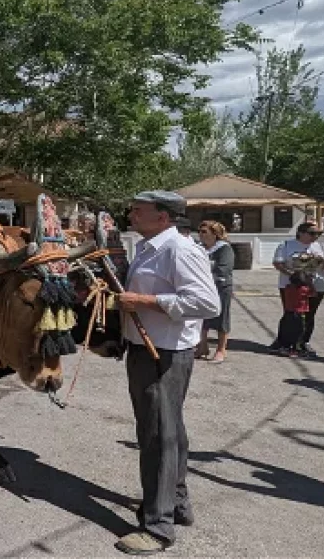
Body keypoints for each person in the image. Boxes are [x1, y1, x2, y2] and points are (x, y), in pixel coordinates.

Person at [113, 190, 220, 556]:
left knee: (158, 435)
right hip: (146, 350)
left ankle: (158, 527)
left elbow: (207, 302)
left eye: (138, 210)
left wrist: (144, 302)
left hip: (164, 354)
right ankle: (176, 503)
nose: (131, 215)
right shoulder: (148, 247)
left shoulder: (180, 250)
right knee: (169, 429)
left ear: (163, 217)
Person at [269, 222, 324, 357]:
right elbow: (278, 263)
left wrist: (322, 260)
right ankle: (285, 342)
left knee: (309, 315)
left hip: (316, 285)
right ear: (301, 233)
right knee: (292, 315)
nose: (316, 236)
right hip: (292, 286)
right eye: (312, 233)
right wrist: (294, 274)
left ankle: (303, 342)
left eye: (318, 234)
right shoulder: (286, 245)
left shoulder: (323, 247)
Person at [196, 221, 234, 363]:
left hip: (221, 288)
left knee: (221, 318)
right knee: (202, 317)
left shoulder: (224, 249)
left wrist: (204, 278)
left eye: (204, 231)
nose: (200, 234)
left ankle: (221, 350)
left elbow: (223, 269)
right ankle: (202, 346)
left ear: (215, 234)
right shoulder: (199, 248)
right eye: (199, 231)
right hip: (203, 288)